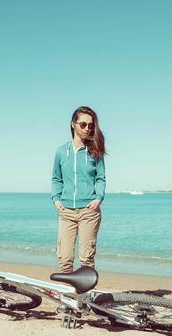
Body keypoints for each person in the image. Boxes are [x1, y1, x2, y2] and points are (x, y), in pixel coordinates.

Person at [51, 106, 106, 273]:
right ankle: (67, 296)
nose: (87, 128)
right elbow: (56, 178)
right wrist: (56, 199)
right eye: (83, 124)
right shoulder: (61, 152)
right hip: (66, 212)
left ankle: (83, 298)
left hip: (89, 212)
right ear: (73, 124)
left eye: (90, 125)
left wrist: (98, 199)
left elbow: (100, 178)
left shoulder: (95, 151)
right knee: (65, 258)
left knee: (86, 259)